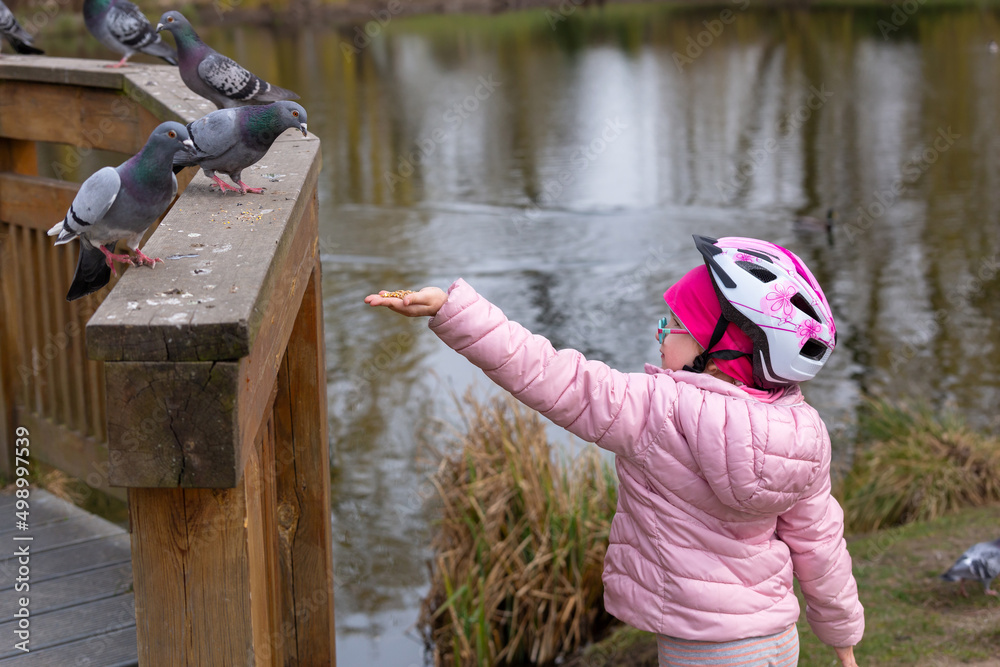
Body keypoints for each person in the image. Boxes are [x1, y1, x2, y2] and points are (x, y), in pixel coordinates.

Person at [364, 235, 863, 667]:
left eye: (673, 326)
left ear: (719, 353)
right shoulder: (806, 433)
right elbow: (822, 547)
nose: (660, 334)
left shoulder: (657, 410)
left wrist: (453, 310)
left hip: (702, 647)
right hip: (777, 640)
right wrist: (842, 639)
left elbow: (549, 374)